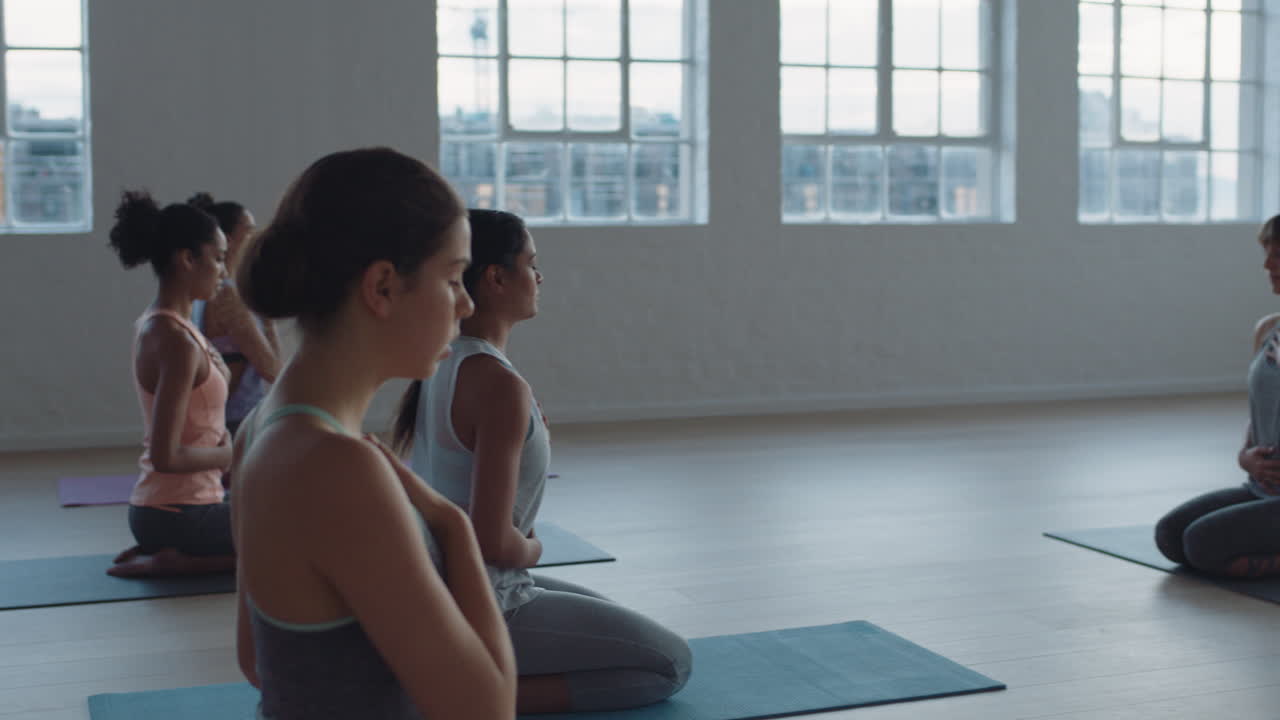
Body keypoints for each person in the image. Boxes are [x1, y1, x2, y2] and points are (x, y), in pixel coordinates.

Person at [230, 148, 517, 719]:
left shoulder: (265, 426)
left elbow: (257, 660)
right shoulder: (337, 467)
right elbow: (486, 710)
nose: (464, 304)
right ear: (383, 286)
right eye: (454, 277)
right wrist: (454, 528)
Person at [393, 209, 691, 713]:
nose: (539, 276)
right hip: (483, 601)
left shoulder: (443, 360)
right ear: (495, 278)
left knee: (615, 618)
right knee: (670, 663)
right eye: (532, 263)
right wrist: (534, 545)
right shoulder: (498, 383)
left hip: (443, 591)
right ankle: (441, 702)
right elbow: (496, 542)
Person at [106, 191, 236, 577]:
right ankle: (178, 561)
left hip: (178, 508)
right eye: (219, 259)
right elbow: (167, 455)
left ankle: (163, 546)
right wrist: (232, 453)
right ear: (187, 259)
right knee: (298, 539)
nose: (224, 271)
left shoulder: (175, 327)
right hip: (179, 513)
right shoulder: (172, 338)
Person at [1155, 215, 1280, 578]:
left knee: (1203, 543)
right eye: (1267, 254)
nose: (1267, 265)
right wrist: (1246, 457)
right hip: (1262, 489)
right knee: (1172, 536)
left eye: (1278, 256)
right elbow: (1259, 411)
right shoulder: (1268, 329)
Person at [188, 192, 279, 435]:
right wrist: (268, 321)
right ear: (227, 240)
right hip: (235, 423)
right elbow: (271, 369)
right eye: (249, 230)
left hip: (225, 419)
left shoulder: (213, 293)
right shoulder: (229, 299)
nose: (257, 237)